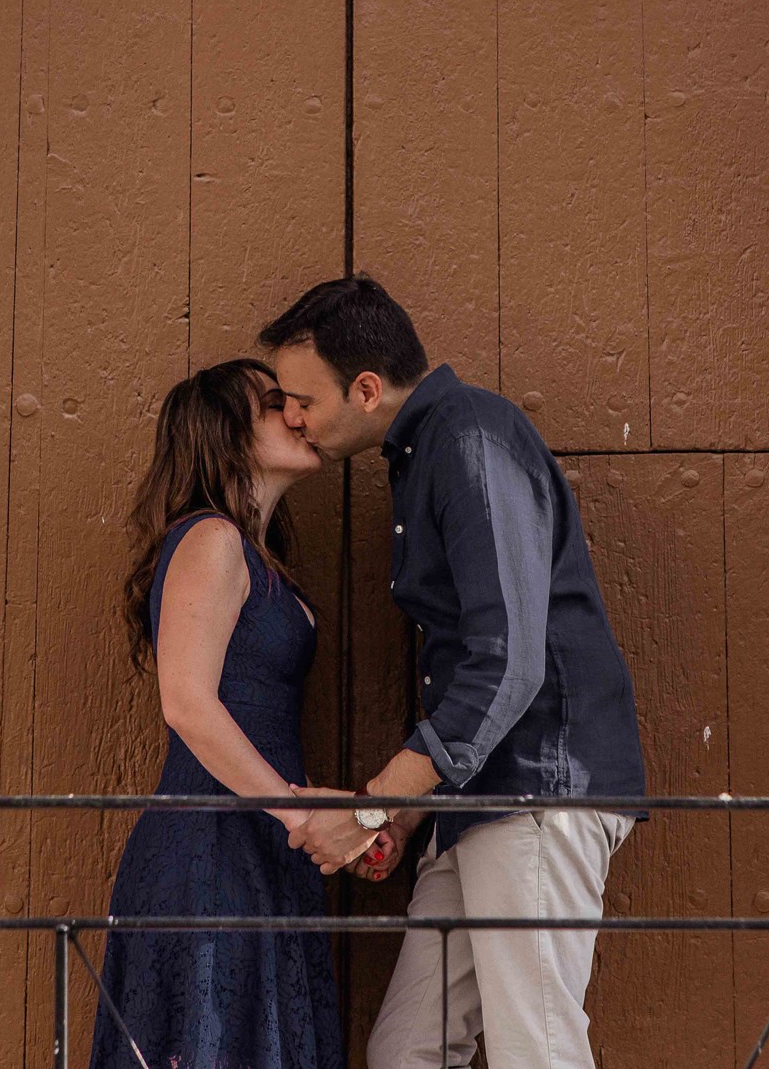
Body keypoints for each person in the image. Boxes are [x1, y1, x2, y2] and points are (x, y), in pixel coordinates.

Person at [260, 276, 647, 1069]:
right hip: (475, 802)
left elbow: (505, 661)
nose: (290, 415)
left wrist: (371, 808)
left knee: (535, 1052)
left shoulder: (469, 433)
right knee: (406, 1048)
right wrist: (400, 820)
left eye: (300, 398)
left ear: (366, 389)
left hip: (534, 790)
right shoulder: (423, 451)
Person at [89, 358, 362, 1069]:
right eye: (275, 403)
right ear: (225, 433)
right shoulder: (210, 539)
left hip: (261, 850)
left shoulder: (256, 555)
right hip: (209, 851)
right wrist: (302, 815)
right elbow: (186, 702)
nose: (297, 412)